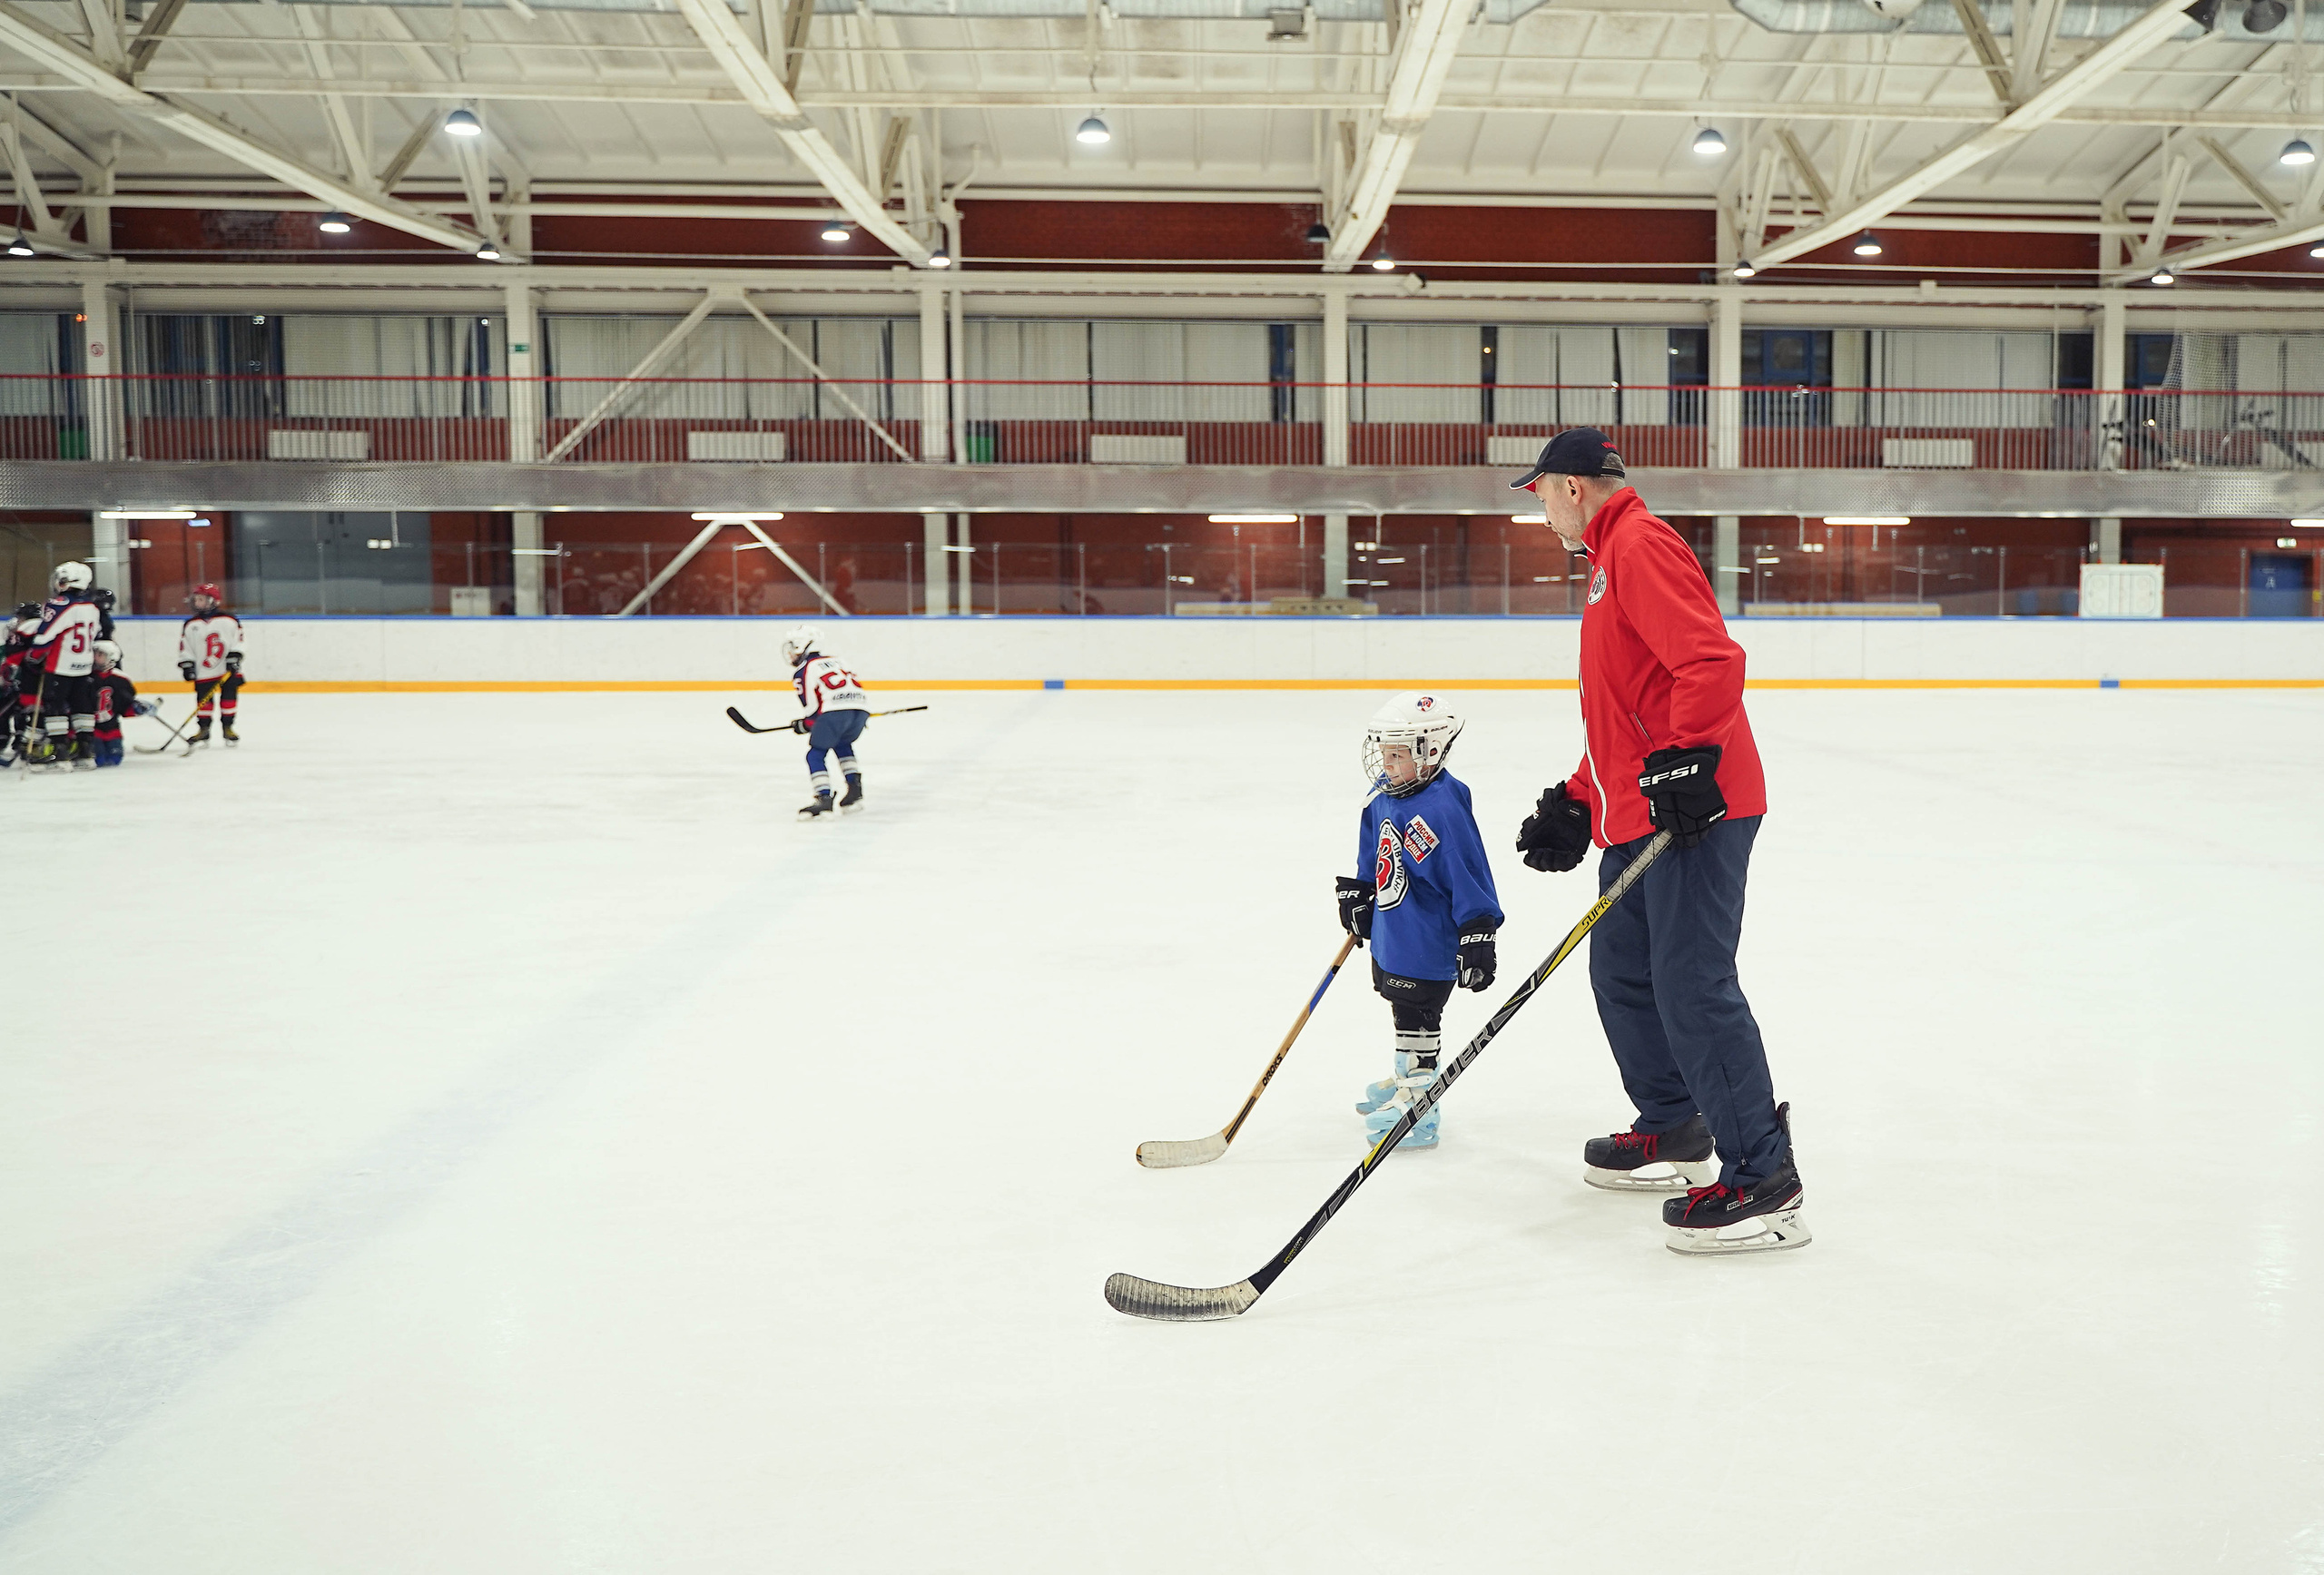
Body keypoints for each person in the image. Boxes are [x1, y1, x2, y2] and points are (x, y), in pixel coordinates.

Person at [1506, 428, 1807, 1256]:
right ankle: (1675, 1121)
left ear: (1572, 487)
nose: (1542, 512)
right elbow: (1628, 709)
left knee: (1691, 984)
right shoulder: (1607, 562)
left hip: (1697, 813)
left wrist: (1691, 759)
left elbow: (1710, 662)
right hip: (1641, 812)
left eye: (1541, 495)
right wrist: (1580, 797)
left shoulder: (1639, 545)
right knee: (1624, 973)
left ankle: (1764, 1175)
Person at [1334, 692, 1502, 1153]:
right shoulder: (1384, 795)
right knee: (1400, 1007)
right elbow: (1373, 847)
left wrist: (1478, 930)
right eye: (1384, 753)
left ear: (1429, 752)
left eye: (1397, 755)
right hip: (1394, 930)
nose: (1385, 764)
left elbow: (1468, 872)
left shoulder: (1442, 809)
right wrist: (1359, 889)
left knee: (1419, 1013)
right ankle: (1408, 1076)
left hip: (1427, 939)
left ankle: (1420, 1107)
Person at [782, 625, 871, 821]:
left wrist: (805, 724)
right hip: (861, 709)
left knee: (815, 755)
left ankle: (823, 798)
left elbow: (812, 708)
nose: (790, 653)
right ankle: (855, 792)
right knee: (843, 744)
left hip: (834, 713)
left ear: (802, 646)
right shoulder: (838, 660)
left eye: (793, 647)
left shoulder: (804, 670)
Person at [179, 583, 245, 747]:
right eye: (196, 599)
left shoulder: (229, 620)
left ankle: (228, 728)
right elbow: (186, 647)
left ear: (213, 601)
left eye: (201, 599)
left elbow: (239, 640)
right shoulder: (191, 624)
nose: (197, 602)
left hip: (227, 669)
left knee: (229, 698)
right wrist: (187, 664)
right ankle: (204, 730)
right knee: (203, 701)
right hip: (204, 670)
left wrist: (235, 656)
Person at [89, 640, 156, 767]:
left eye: (99, 654)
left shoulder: (120, 680)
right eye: (93, 653)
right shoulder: (87, 677)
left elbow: (124, 707)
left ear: (111, 657)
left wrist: (136, 709)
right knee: (99, 759)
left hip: (113, 729)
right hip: (92, 729)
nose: (94, 657)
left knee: (115, 759)